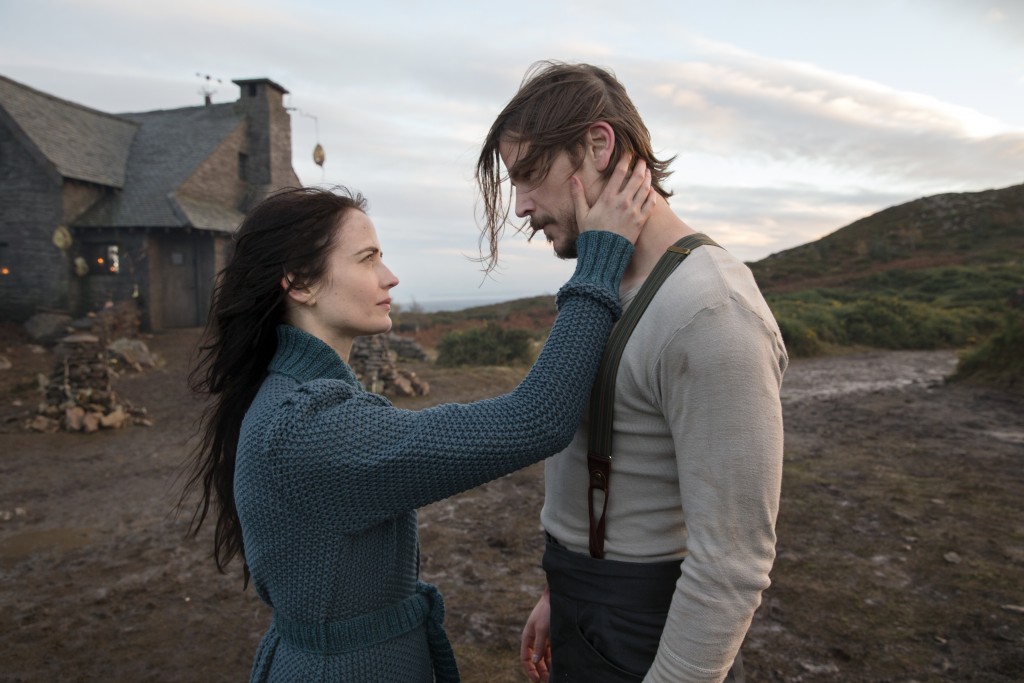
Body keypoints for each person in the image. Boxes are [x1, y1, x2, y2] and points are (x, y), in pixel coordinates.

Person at [181, 164, 655, 683]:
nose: (390, 277)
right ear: (299, 284)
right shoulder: (307, 428)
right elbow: (535, 419)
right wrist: (600, 257)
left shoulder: (296, 397)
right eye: (368, 259)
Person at [475, 61, 788, 683]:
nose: (522, 207)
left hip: (647, 624)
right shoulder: (603, 282)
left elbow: (731, 564)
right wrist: (558, 592)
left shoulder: (710, 310)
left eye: (530, 175)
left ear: (597, 144)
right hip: (582, 598)